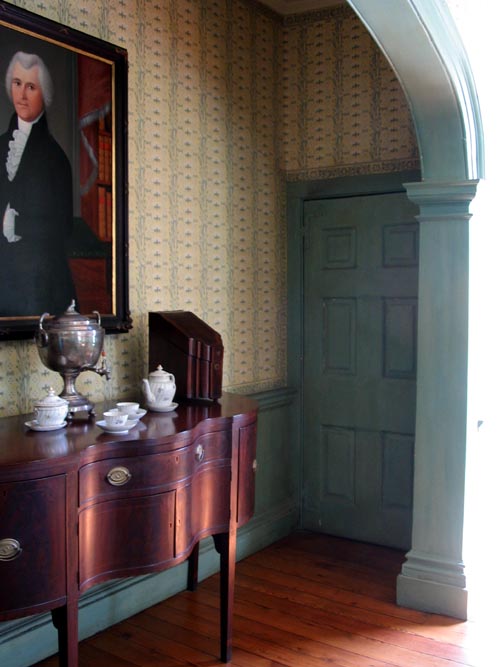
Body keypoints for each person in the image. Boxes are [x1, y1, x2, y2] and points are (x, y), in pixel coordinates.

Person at [0, 51, 76, 317]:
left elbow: (63, 227)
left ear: (45, 94)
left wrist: (16, 225)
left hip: (39, 287)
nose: (22, 94)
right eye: (17, 83)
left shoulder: (56, 159)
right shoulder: (0, 145)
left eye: (31, 87)